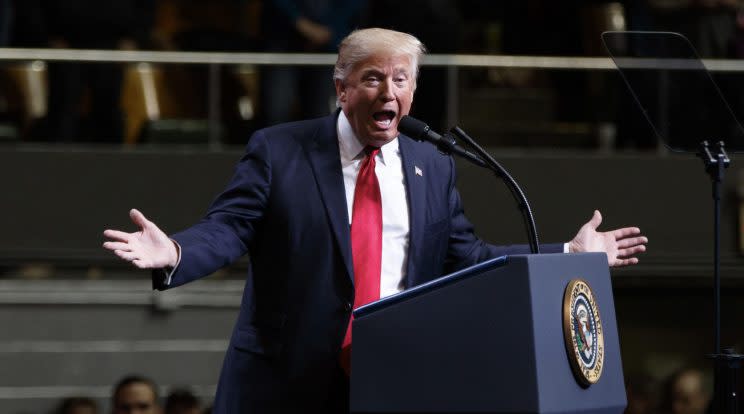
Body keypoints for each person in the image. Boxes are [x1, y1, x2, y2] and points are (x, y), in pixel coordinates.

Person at [103, 28, 647, 413]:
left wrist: (569, 257)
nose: (389, 91)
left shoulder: (432, 165)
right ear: (340, 89)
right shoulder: (281, 150)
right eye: (372, 79)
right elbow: (230, 227)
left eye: (402, 79)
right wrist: (175, 252)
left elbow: (471, 258)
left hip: (391, 377)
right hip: (286, 383)